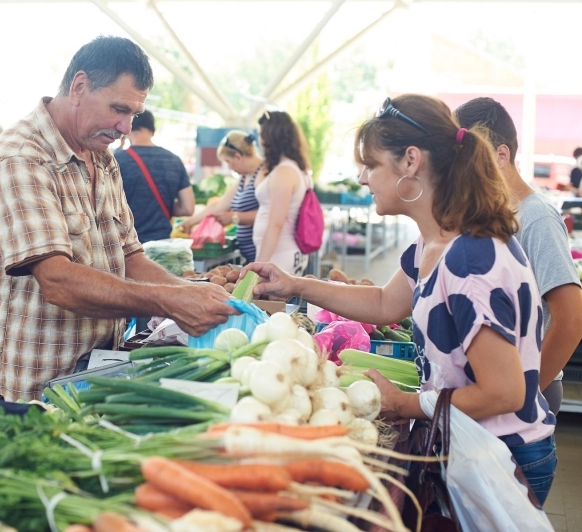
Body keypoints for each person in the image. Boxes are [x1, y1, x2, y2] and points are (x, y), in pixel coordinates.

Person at [243, 94, 557, 504]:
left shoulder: (471, 258)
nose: (361, 178)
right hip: (472, 445)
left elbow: (504, 393)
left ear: (410, 161)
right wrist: (296, 285)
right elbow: (384, 305)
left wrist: (406, 403)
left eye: (371, 165)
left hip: (503, 455)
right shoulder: (434, 242)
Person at [0, 36, 236, 401]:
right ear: (79, 87)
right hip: (29, 388)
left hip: (92, 376)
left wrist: (188, 290)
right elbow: (58, 280)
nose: (126, 127)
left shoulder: (103, 159)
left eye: (133, 115)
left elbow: (129, 258)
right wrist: (168, 301)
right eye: (118, 109)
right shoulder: (21, 158)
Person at [455, 97, 582, 417]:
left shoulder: (536, 218)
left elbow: (572, 318)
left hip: (525, 397)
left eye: (464, 159)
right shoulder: (488, 216)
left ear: (501, 155)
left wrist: (526, 393)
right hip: (493, 392)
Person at [181, 131, 262, 262]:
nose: (229, 167)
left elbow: (269, 214)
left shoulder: (263, 174)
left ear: (238, 157)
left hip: (264, 257)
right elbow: (220, 205)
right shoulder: (245, 176)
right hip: (252, 257)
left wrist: (234, 217)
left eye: (228, 162)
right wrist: (190, 222)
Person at [115, 110, 194, 242]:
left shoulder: (118, 160)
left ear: (129, 127)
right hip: (162, 244)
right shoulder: (174, 160)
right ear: (153, 130)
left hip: (128, 246)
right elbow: (188, 208)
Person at [253, 111, 310, 275]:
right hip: (281, 254)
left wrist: (258, 266)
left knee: (272, 301)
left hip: (278, 256)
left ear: (271, 137)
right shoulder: (293, 167)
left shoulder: (284, 172)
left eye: (261, 135)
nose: (259, 141)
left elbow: (275, 223)